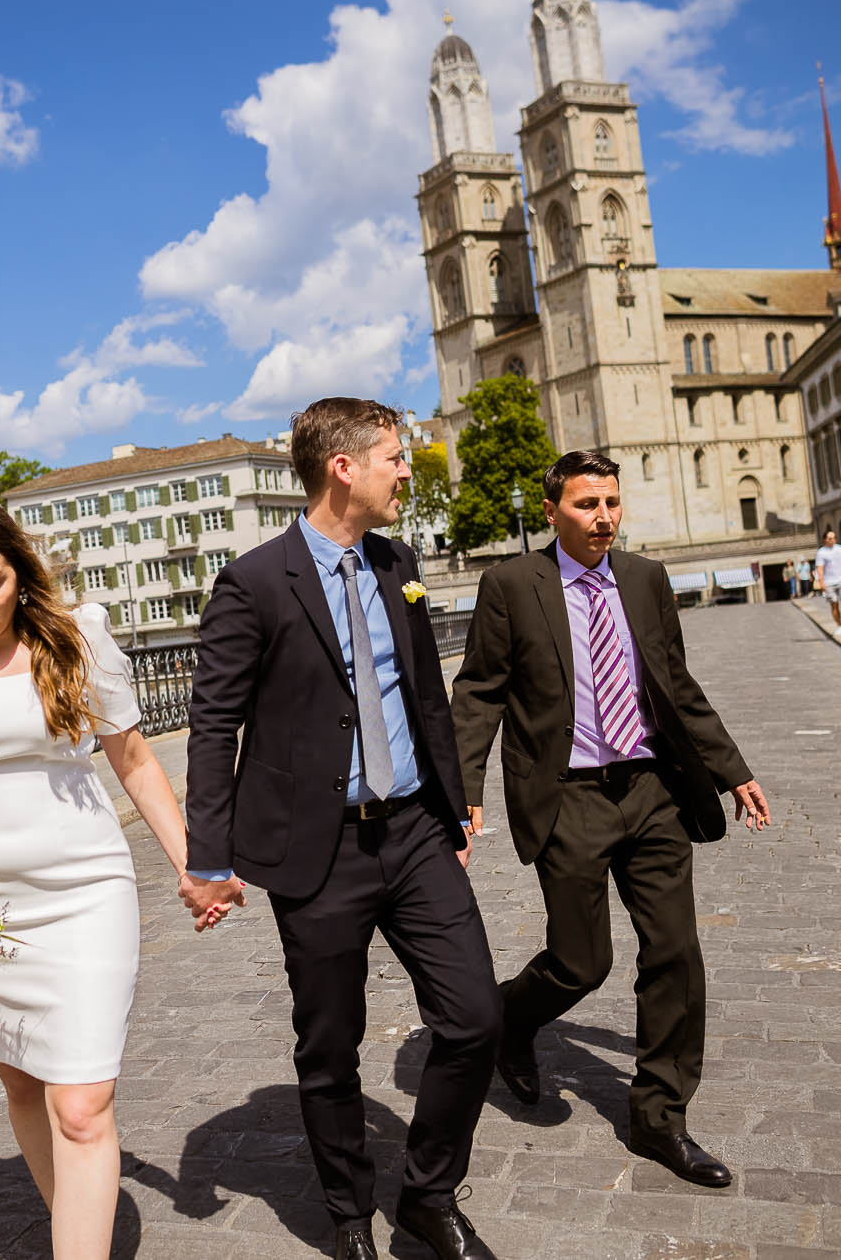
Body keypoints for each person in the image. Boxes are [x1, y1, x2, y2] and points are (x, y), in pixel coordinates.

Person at [180, 397, 499, 1260]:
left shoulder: (399, 559)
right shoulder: (254, 580)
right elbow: (215, 727)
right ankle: (349, 1212)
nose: (407, 469)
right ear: (343, 468)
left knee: (474, 1018)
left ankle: (429, 1195)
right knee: (330, 1044)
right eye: (394, 456)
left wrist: (456, 795)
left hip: (415, 831)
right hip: (315, 852)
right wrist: (205, 856)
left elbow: (427, 691)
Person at [0, 500, 226, 1260]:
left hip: (86, 889)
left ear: (21, 572)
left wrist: (193, 863)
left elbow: (133, 758)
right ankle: (73, 1221)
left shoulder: (77, 637)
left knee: (81, 1102)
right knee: (23, 1084)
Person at [449, 450, 772, 1189]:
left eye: (613, 503)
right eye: (588, 504)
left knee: (675, 953)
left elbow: (676, 684)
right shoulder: (510, 586)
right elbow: (479, 694)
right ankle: (512, 1019)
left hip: (652, 788)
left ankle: (661, 1117)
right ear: (553, 509)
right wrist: (463, 789)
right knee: (581, 960)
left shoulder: (645, 579)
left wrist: (734, 768)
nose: (604, 518)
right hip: (567, 796)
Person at [812, 530, 841, 634]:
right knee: (834, 604)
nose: (832, 540)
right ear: (825, 540)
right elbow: (820, 568)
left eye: (834, 538)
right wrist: (821, 582)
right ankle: (839, 626)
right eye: (830, 538)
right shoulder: (821, 552)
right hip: (829, 582)